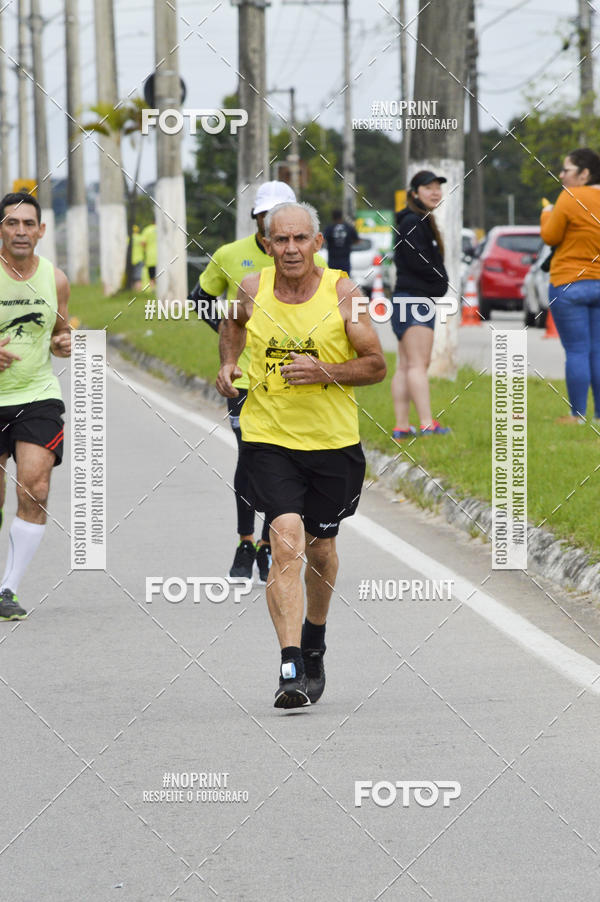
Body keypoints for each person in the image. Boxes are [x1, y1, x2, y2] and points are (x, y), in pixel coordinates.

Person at [216, 202, 386, 709]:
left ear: (317, 242)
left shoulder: (343, 294)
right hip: (268, 438)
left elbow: (376, 365)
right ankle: (290, 665)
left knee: (321, 550)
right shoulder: (252, 289)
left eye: (300, 239)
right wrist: (228, 365)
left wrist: (325, 371)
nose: (290, 249)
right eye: (280, 240)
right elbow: (233, 326)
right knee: (285, 539)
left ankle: (315, 639)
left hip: (333, 445)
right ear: (266, 245)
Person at [191, 181, 327, 584]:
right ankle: (246, 541)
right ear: (257, 220)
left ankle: (272, 543)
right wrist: (231, 337)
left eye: (283, 214)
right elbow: (200, 296)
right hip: (249, 379)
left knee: (289, 461)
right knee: (254, 458)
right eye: (266, 217)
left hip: (298, 377)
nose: (279, 230)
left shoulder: (306, 251)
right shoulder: (230, 255)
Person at [0, 192, 71, 621]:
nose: (21, 231)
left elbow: (61, 332)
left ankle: (7, 587)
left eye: (29, 224)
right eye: (12, 223)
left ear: (41, 231)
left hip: (37, 395)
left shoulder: (54, 279)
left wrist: (64, 344)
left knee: (36, 488)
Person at [540, 148, 600, 424]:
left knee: (576, 351)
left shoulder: (569, 197)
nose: (561, 175)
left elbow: (551, 236)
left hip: (569, 283)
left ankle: (577, 416)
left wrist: (546, 213)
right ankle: (599, 415)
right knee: (597, 350)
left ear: (584, 174)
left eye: (567, 170)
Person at [390, 170, 451, 440]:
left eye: (438, 187)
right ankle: (427, 424)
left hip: (406, 298)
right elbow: (419, 261)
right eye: (428, 187)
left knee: (405, 365)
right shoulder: (414, 222)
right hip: (415, 300)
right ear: (414, 192)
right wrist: (440, 278)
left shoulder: (414, 220)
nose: (435, 191)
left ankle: (402, 427)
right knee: (417, 365)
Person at [322, 209, 359, 276]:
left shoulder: (329, 228)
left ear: (332, 217)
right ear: (341, 216)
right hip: (345, 260)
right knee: (345, 279)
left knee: (333, 280)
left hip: (332, 260)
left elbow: (323, 240)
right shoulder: (349, 227)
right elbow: (357, 240)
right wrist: (348, 243)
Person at [141, 221, 157, 289]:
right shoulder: (163, 229)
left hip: (151, 257)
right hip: (163, 258)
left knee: (152, 276)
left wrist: (145, 250)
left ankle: (153, 290)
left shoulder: (147, 230)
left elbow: (143, 243)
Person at [130, 224, 145, 291]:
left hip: (131, 260)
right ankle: (138, 290)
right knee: (138, 277)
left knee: (132, 277)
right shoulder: (140, 238)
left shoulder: (129, 238)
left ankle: (133, 291)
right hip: (139, 258)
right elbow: (144, 246)